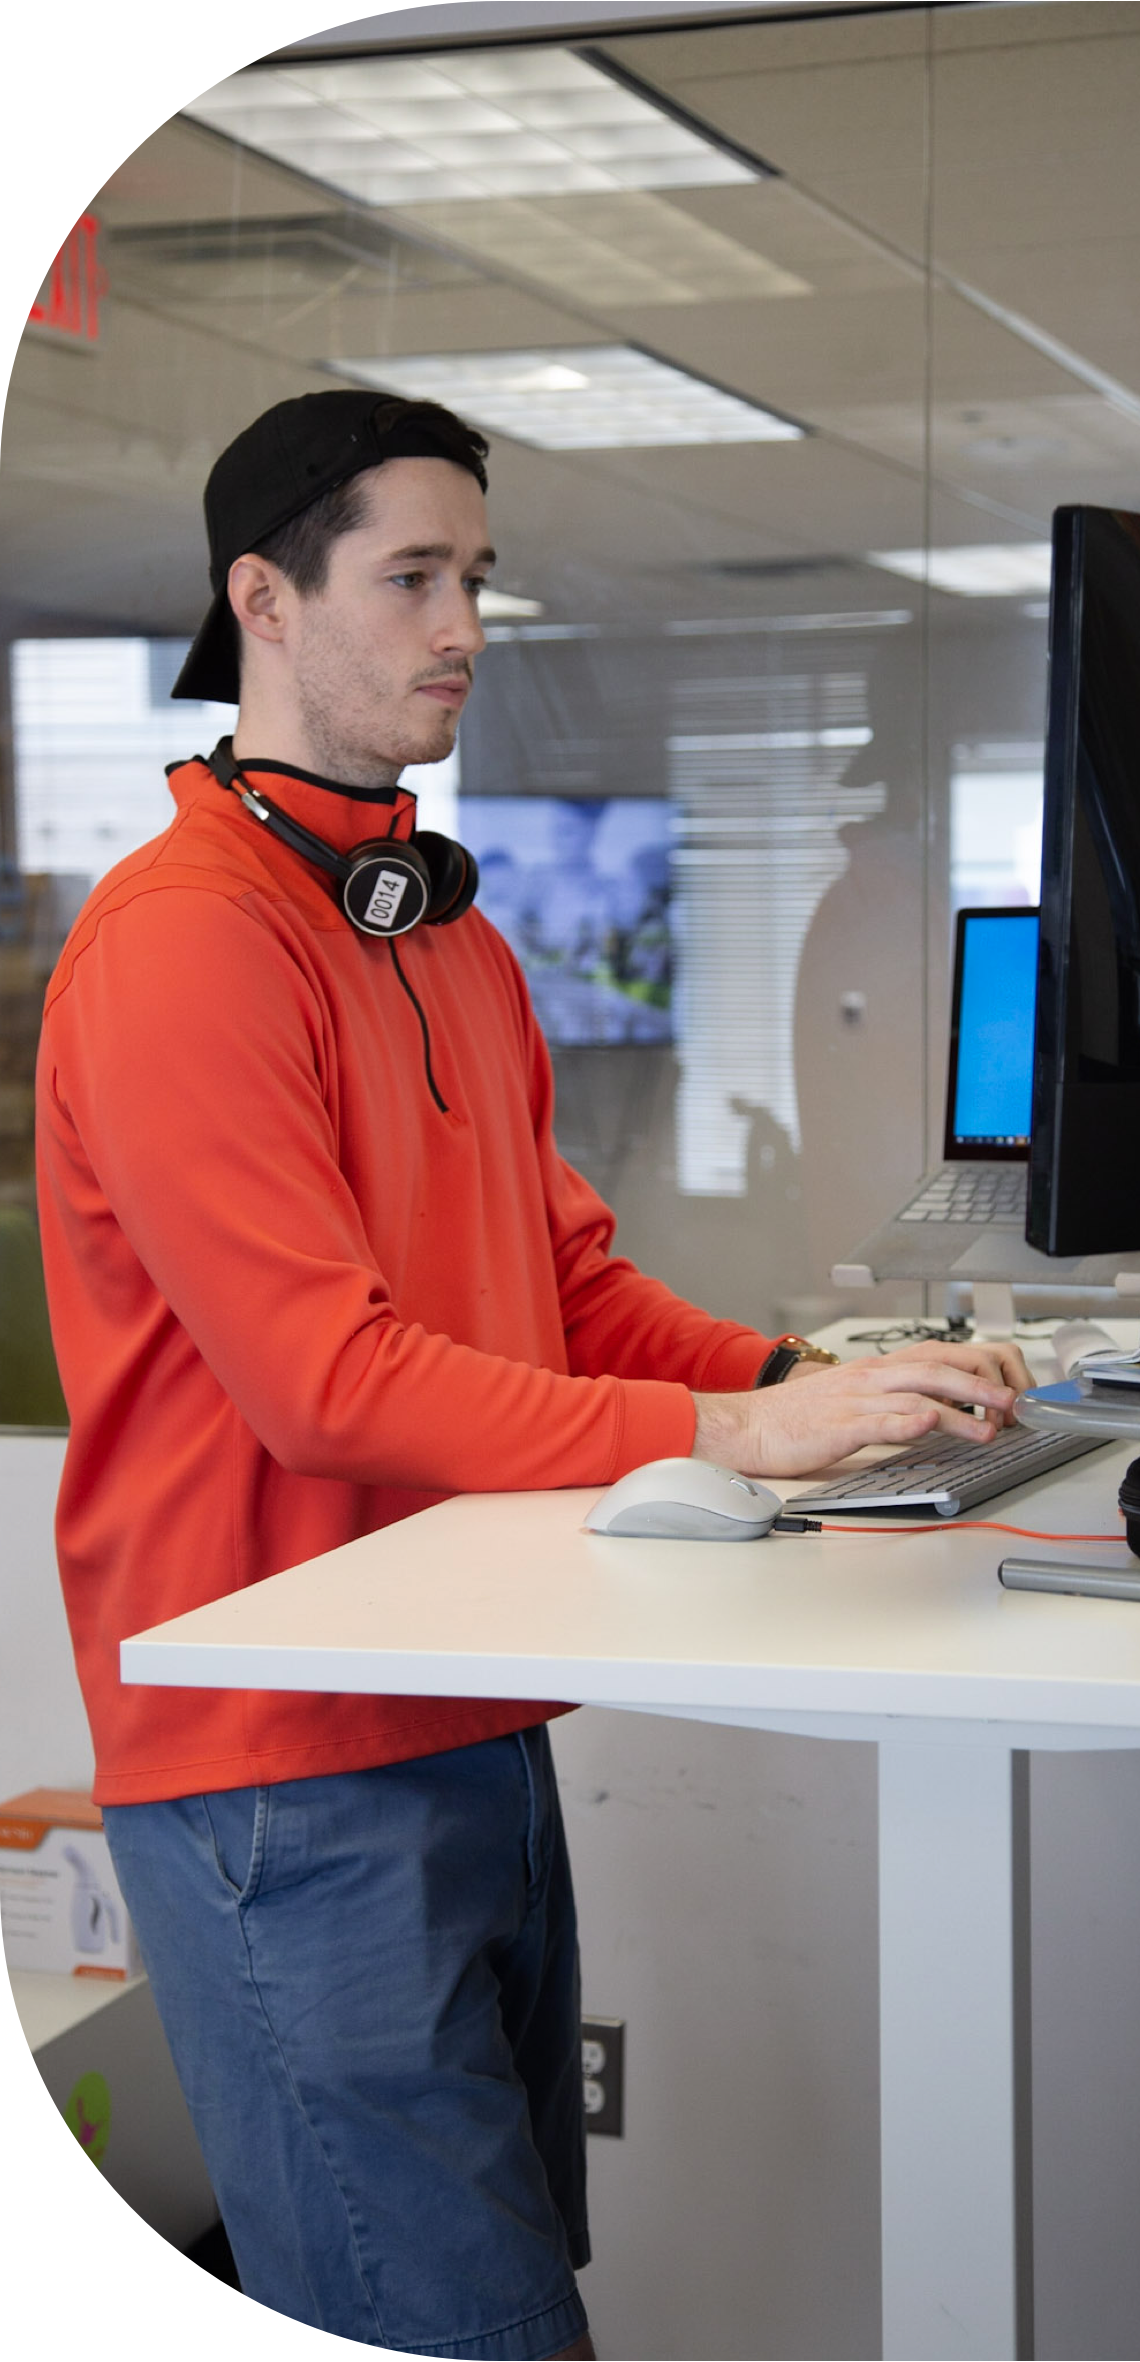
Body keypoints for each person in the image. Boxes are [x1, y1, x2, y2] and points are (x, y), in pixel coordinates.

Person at [35, 389, 1031, 2357]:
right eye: (412, 575)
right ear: (263, 599)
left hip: (465, 1714)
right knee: (446, 2318)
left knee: (485, 2295)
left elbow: (560, 1285)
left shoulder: (449, 942)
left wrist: (821, 1365)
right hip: (277, 1765)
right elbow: (326, 1381)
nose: (465, 623)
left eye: (476, 576)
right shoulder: (183, 949)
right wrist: (737, 1428)